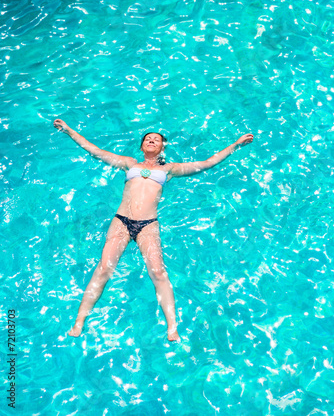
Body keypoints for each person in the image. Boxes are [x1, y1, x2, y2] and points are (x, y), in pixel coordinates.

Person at [53, 118, 253, 341]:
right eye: (147, 139)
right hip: (121, 221)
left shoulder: (170, 169)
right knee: (103, 269)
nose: (151, 140)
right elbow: (95, 151)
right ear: (141, 146)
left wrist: (235, 145)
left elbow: (207, 162)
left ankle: (172, 328)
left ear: (162, 147)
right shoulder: (130, 164)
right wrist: (69, 130)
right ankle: (79, 321)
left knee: (158, 273)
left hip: (148, 225)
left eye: (156, 139)